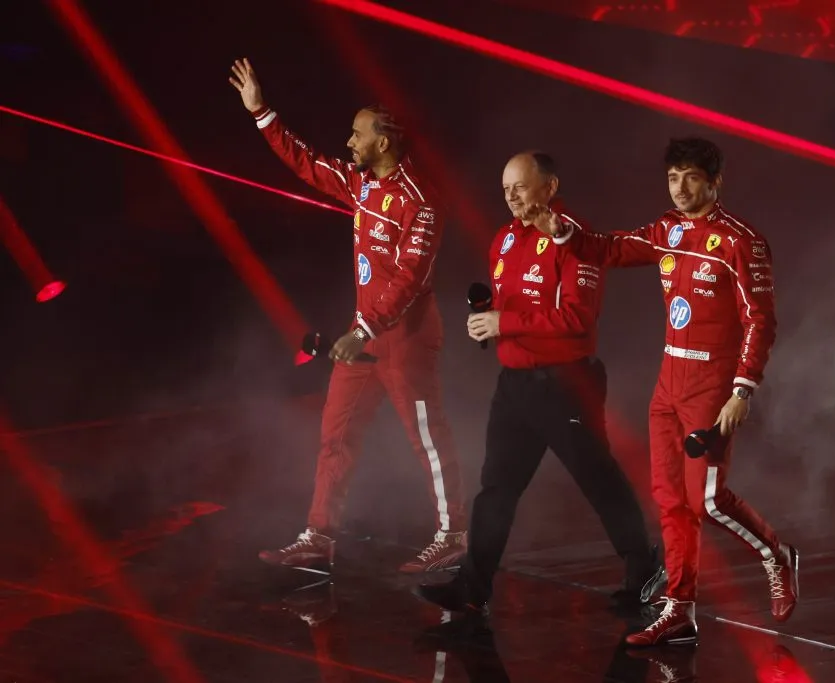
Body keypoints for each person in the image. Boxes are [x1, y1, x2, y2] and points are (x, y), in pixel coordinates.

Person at [532, 137, 798, 646]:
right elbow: (609, 249)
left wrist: (742, 390)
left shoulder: (741, 241)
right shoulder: (664, 231)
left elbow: (760, 322)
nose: (680, 188)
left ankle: (776, 555)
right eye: (673, 177)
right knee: (671, 502)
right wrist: (563, 231)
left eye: (691, 177)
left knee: (710, 502)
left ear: (714, 183)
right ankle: (680, 609)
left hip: (712, 386)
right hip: (668, 384)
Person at [229, 58, 467, 572]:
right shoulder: (359, 183)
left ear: (383, 142)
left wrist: (363, 329)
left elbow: (410, 279)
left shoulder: (421, 200)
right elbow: (305, 162)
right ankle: (319, 537)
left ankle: (453, 536)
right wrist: (260, 112)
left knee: (427, 439)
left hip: (405, 339)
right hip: (361, 340)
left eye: (357, 134)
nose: (348, 141)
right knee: (335, 436)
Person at [415, 151, 661, 614]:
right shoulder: (503, 240)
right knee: (496, 487)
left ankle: (642, 568)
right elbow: (508, 307)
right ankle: (473, 585)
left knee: (596, 476)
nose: (511, 198)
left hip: (566, 383)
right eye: (505, 189)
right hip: (515, 387)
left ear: (549, 188)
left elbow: (575, 318)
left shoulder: (576, 239)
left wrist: (504, 321)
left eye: (521, 188)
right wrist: (485, 319)